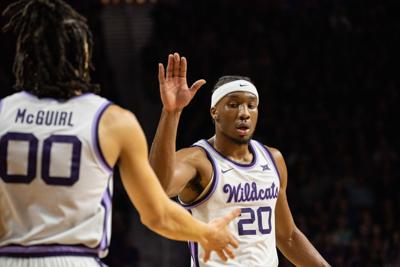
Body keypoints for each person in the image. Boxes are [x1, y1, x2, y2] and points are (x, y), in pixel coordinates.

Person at [0, 1, 240, 267]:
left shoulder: (3, 114)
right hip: (76, 259)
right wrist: (206, 233)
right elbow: (156, 214)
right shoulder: (112, 121)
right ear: (84, 56)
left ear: (24, 56)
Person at [150, 52, 331, 267]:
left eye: (251, 105)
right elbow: (155, 188)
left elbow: (287, 236)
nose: (244, 113)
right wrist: (171, 113)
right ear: (215, 112)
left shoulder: (273, 160)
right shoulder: (199, 161)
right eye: (234, 104)